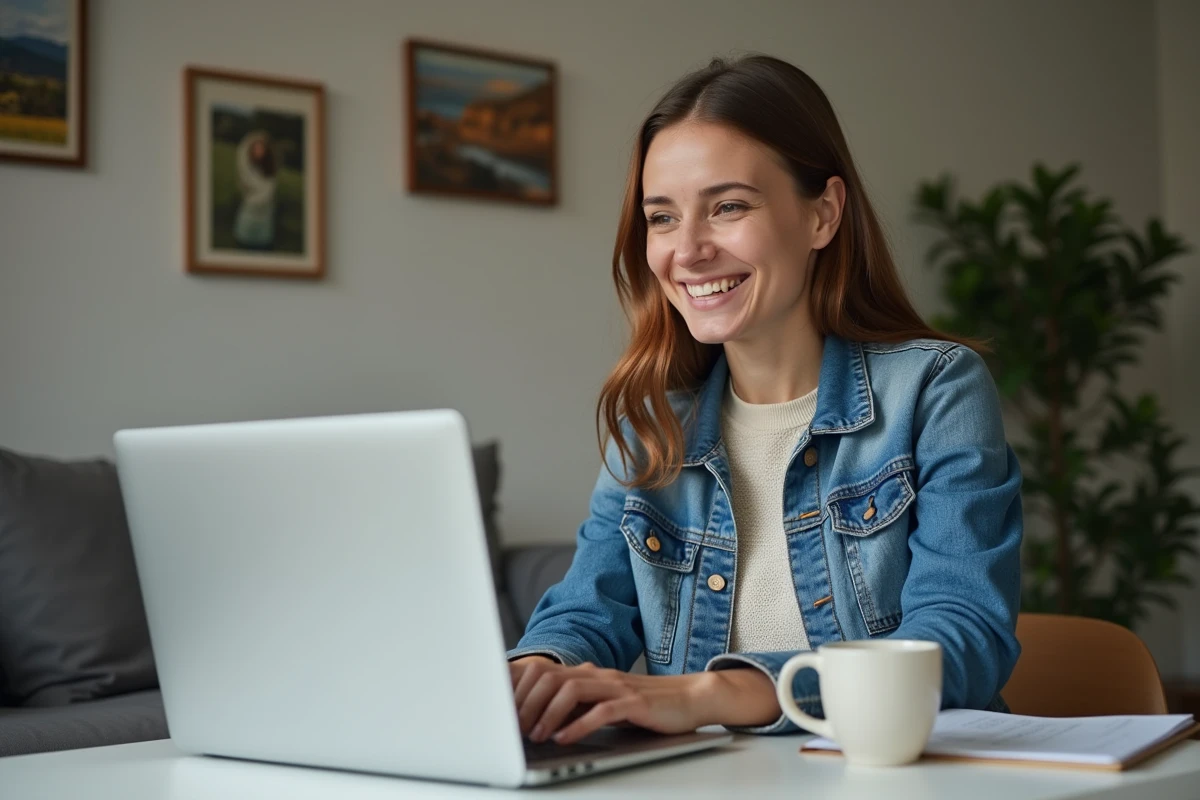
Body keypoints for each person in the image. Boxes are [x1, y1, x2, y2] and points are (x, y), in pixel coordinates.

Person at [507, 54, 1023, 746]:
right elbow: (584, 612)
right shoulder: (653, 422)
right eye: (662, 217)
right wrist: (534, 675)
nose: (686, 251)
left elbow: (958, 638)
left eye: (727, 207)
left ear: (823, 214)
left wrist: (711, 693)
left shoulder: (933, 389)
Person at [233, 130, 278, 250]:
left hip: (265, 223)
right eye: (255, 148)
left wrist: (256, 193)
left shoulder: (269, 172)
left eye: (261, 148)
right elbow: (241, 151)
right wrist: (255, 136)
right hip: (248, 221)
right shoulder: (246, 169)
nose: (258, 151)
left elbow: (268, 193)